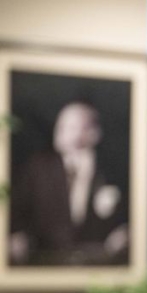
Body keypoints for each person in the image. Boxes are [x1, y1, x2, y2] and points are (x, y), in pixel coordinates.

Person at [7, 101, 129, 267]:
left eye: (71, 127)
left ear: (94, 133)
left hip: (98, 262)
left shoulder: (112, 170)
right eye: (61, 126)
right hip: (45, 258)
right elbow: (18, 209)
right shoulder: (38, 168)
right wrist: (18, 236)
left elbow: (129, 216)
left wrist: (125, 233)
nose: (61, 132)